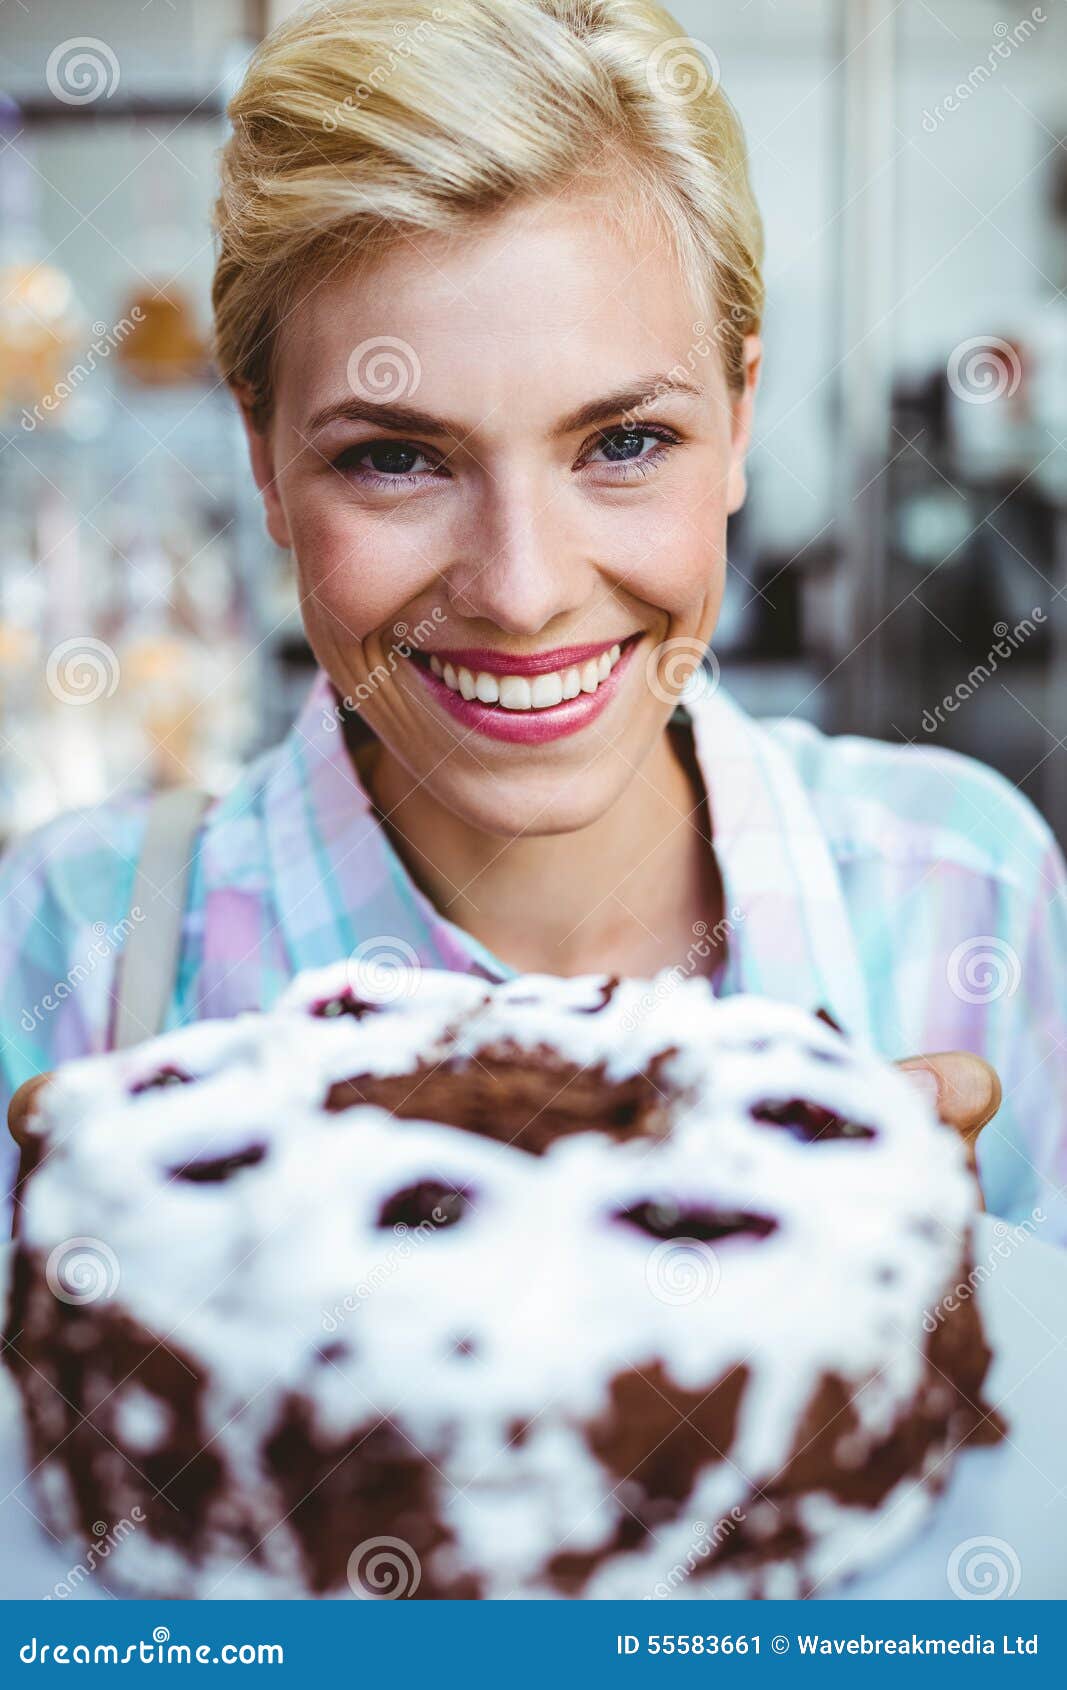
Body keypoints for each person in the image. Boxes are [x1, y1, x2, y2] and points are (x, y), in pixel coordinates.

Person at [3, 0, 1063, 1234]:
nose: (520, 592)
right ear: (262, 453)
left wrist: (937, 1298)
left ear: (738, 418)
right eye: (395, 457)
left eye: (623, 442)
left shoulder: (963, 895)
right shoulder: (78, 945)